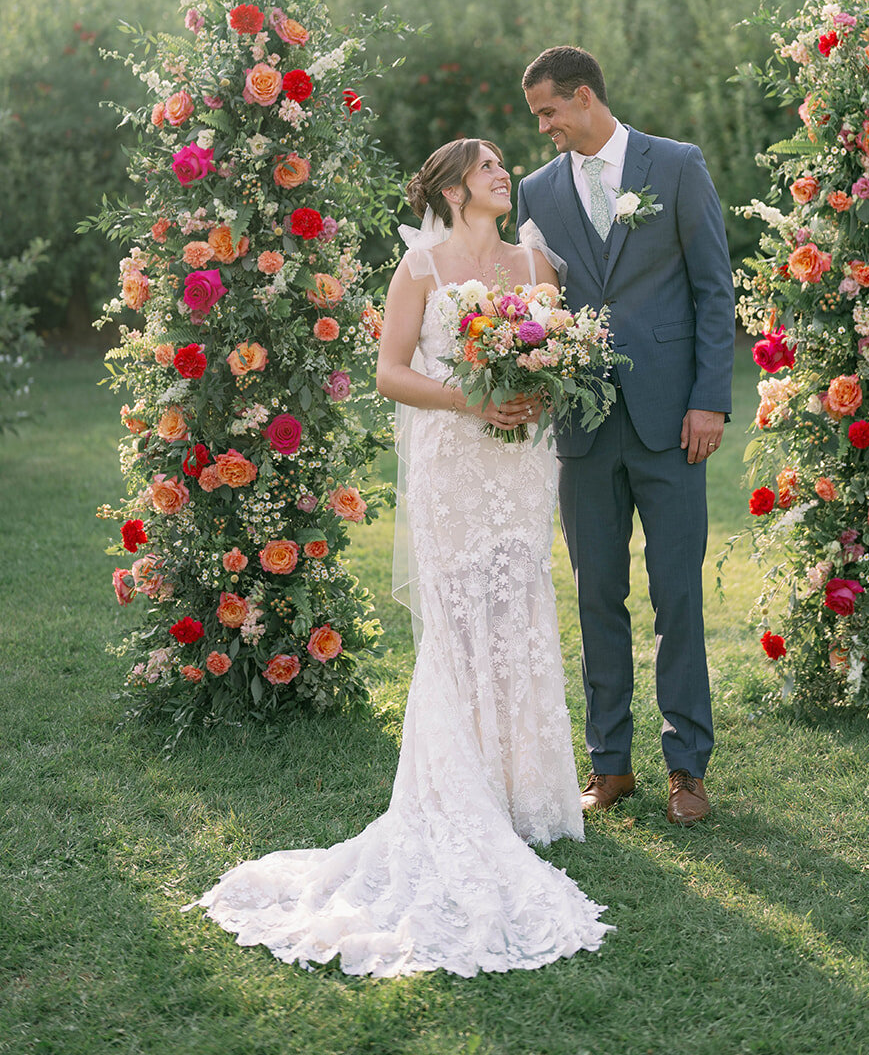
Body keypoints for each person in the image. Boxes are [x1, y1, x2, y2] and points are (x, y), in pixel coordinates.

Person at [186, 138, 609, 977]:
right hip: (455, 460)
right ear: (453, 188)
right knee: (459, 616)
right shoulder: (420, 267)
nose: (502, 172)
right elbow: (387, 372)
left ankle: (525, 794)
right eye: (486, 165)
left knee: (519, 602)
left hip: (521, 461)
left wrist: (536, 387)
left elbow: (557, 350)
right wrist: (468, 399)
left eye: (500, 164)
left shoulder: (536, 261)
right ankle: (464, 787)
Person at [517, 47, 734, 826]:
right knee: (596, 596)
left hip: (673, 420)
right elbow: (536, 308)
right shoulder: (536, 191)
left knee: (676, 594)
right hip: (582, 428)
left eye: (548, 112)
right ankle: (609, 764)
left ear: (582, 96)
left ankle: (687, 769)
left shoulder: (674, 165)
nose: (542, 128)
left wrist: (709, 400)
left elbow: (713, 287)